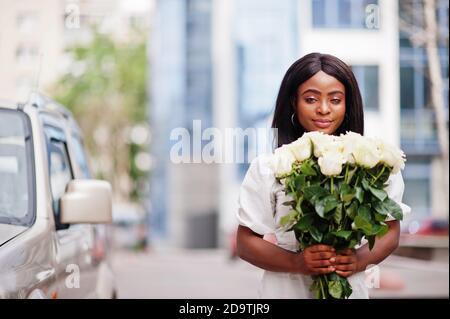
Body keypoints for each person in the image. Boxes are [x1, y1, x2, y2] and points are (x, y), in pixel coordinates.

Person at [235, 52, 411, 298]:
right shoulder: (269, 167)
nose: (324, 109)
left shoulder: (375, 164)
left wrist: (359, 260)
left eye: (336, 100)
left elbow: (391, 231)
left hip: (349, 290)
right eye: (310, 99)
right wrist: (297, 263)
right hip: (285, 290)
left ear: (347, 105)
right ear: (293, 103)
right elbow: (246, 243)